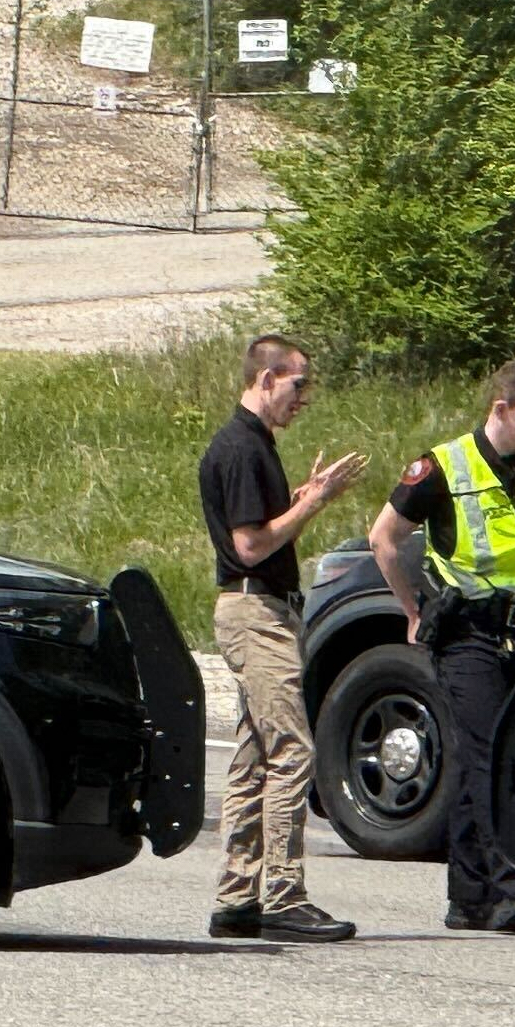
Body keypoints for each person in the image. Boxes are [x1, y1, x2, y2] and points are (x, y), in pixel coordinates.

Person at [369, 357, 515, 932]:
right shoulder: (444, 466)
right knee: (496, 751)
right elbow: (384, 539)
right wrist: (413, 610)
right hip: (470, 631)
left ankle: (467, 897)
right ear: (502, 408)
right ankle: (508, 888)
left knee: (485, 758)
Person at [199, 334, 371, 942]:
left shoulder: (254, 445)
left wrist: (298, 500)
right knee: (294, 749)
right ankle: (283, 895)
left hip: (260, 610)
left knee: (254, 753)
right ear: (266, 378)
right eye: (299, 384)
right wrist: (315, 504)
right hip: (255, 614)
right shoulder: (242, 449)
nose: (305, 398)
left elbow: (260, 530)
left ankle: (237, 895)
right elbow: (250, 546)